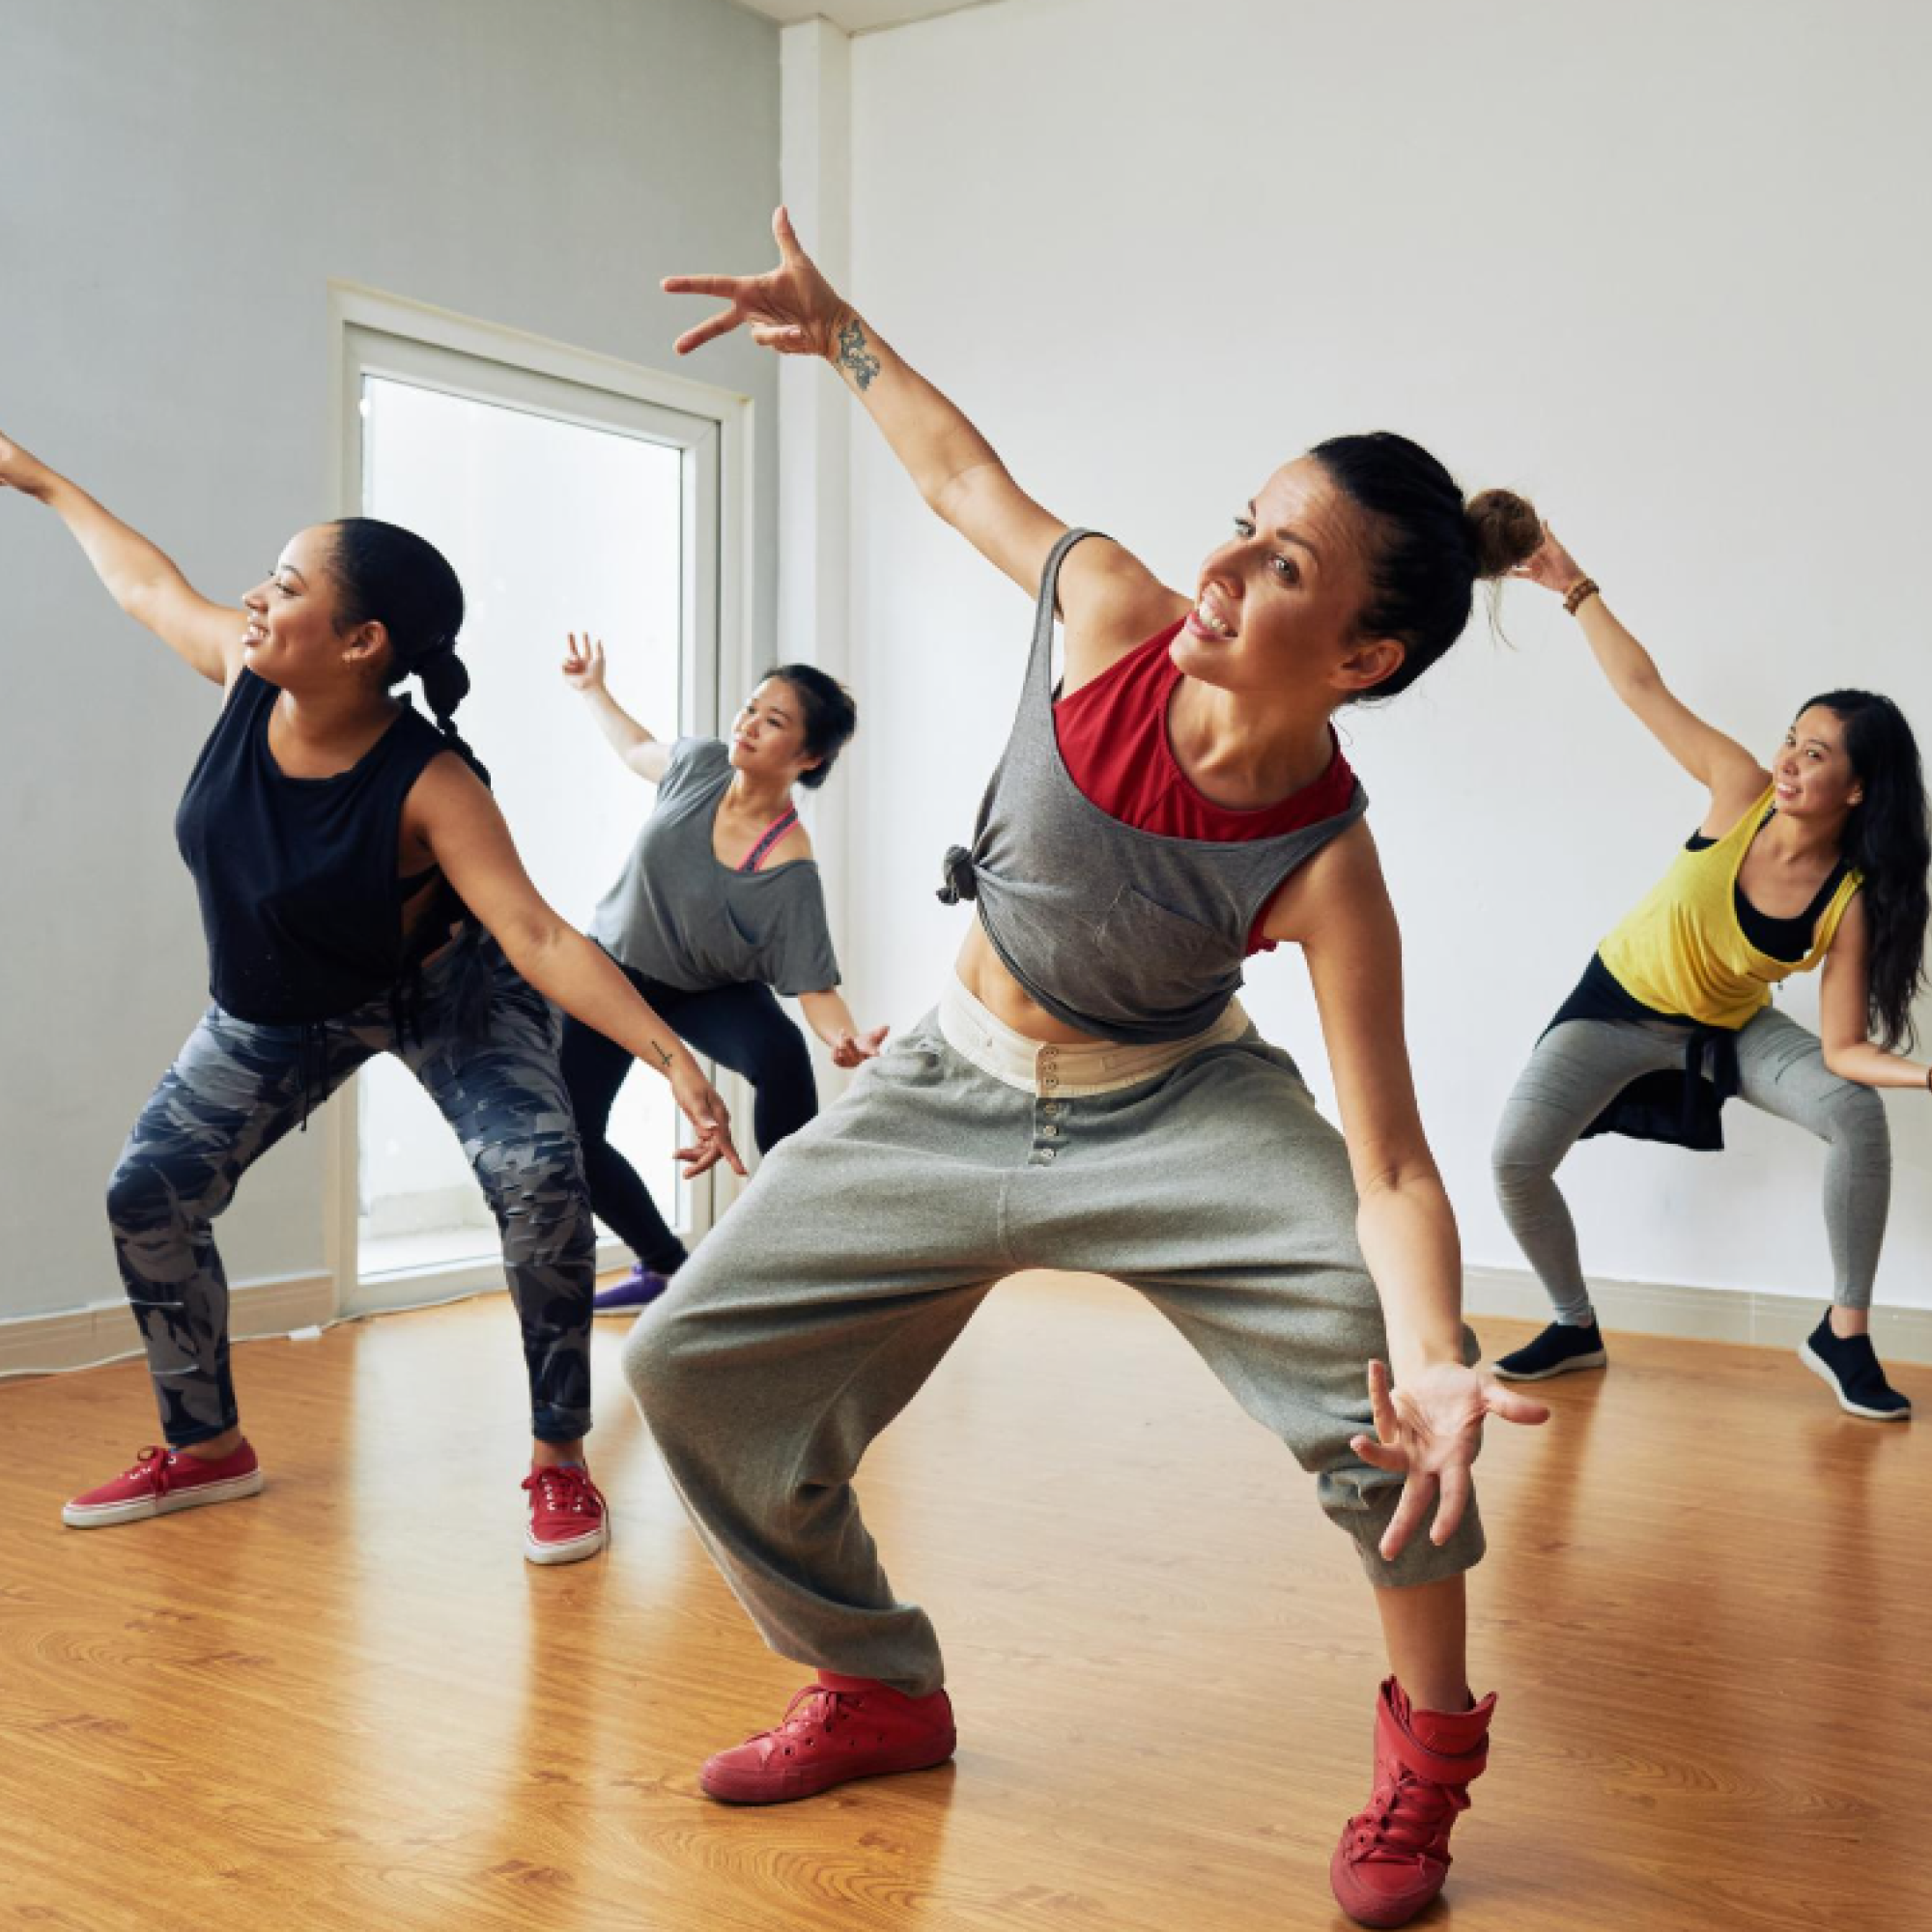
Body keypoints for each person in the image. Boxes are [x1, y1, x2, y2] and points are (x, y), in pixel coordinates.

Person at [630, 209, 1550, 1931]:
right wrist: (840, 333)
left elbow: (1396, 1167)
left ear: (1363, 658)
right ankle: (878, 1685)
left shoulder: (1326, 857)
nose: (1225, 568)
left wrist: (1433, 1350)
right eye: (1244, 526)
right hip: (954, 1078)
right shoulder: (1115, 612)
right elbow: (963, 480)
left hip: (1178, 1107)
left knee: (1394, 1422)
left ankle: (1431, 1750)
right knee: (689, 1362)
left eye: (1284, 567)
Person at [0, 428, 743, 1563]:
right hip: (279, 1007)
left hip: (448, 994)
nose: (252, 596)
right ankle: (205, 1447)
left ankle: (558, 1459)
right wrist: (38, 478)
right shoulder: (247, 683)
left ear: (361, 641)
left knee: (541, 1175)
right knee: (148, 1193)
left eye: (285, 585)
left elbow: (535, 931)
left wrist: (671, 1057)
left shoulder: (430, 780)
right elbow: (145, 583)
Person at [1491, 528, 1928, 1421]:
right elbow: (1643, 690)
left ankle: (1843, 1332)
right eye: (1791, 741)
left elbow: (1844, 1050)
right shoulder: (1739, 789)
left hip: (1726, 1027)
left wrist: (1926, 1073)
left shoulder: (1849, 900)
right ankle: (1575, 1326)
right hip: (1614, 1005)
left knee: (1855, 1113)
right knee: (1515, 1159)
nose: (1789, 762)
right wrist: (1574, 588)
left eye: (1816, 754)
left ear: (1857, 789)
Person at [556, 634, 885, 1315]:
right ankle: (664, 1268)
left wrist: (843, 1040)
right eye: (750, 707)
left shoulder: (787, 861)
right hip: (613, 971)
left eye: (773, 721)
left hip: (706, 988)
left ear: (807, 757)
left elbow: (813, 984)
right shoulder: (701, 763)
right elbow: (635, 747)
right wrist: (594, 690)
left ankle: (795, 1252)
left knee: (782, 1054)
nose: (747, 724)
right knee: (570, 1131)